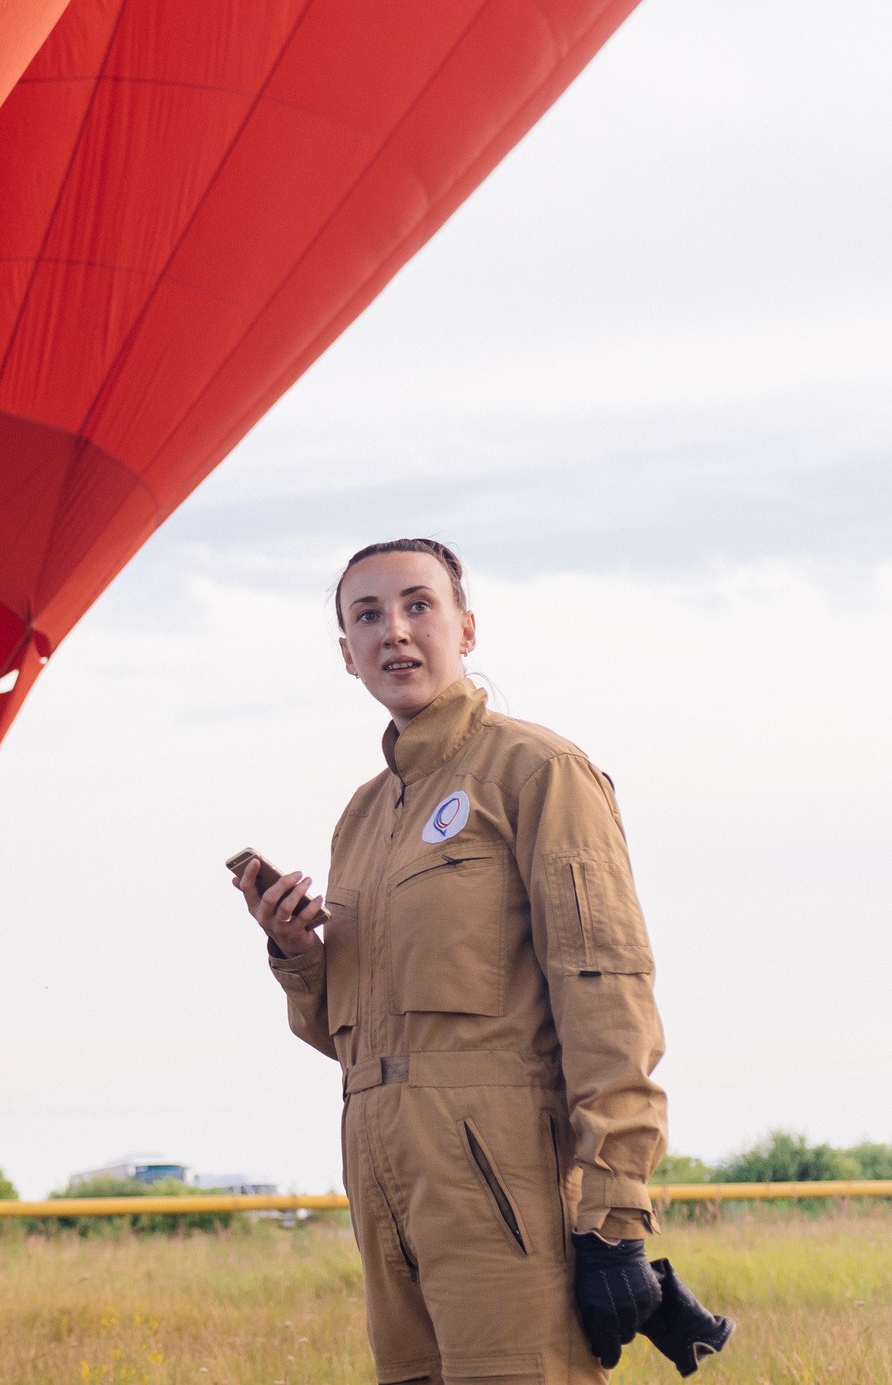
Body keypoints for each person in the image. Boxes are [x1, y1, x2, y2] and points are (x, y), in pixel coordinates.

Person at [240, 539, 677, 1383]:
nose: (394, 631)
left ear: (466, 627)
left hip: (501, 1182)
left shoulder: (538, 771)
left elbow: (607, 992)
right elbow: (357, 1042)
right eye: (367, 615)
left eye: (418, 605)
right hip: (384, 1184)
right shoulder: (361, 819)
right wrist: (298, 955)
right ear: (345, 653)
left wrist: (615, 1208)